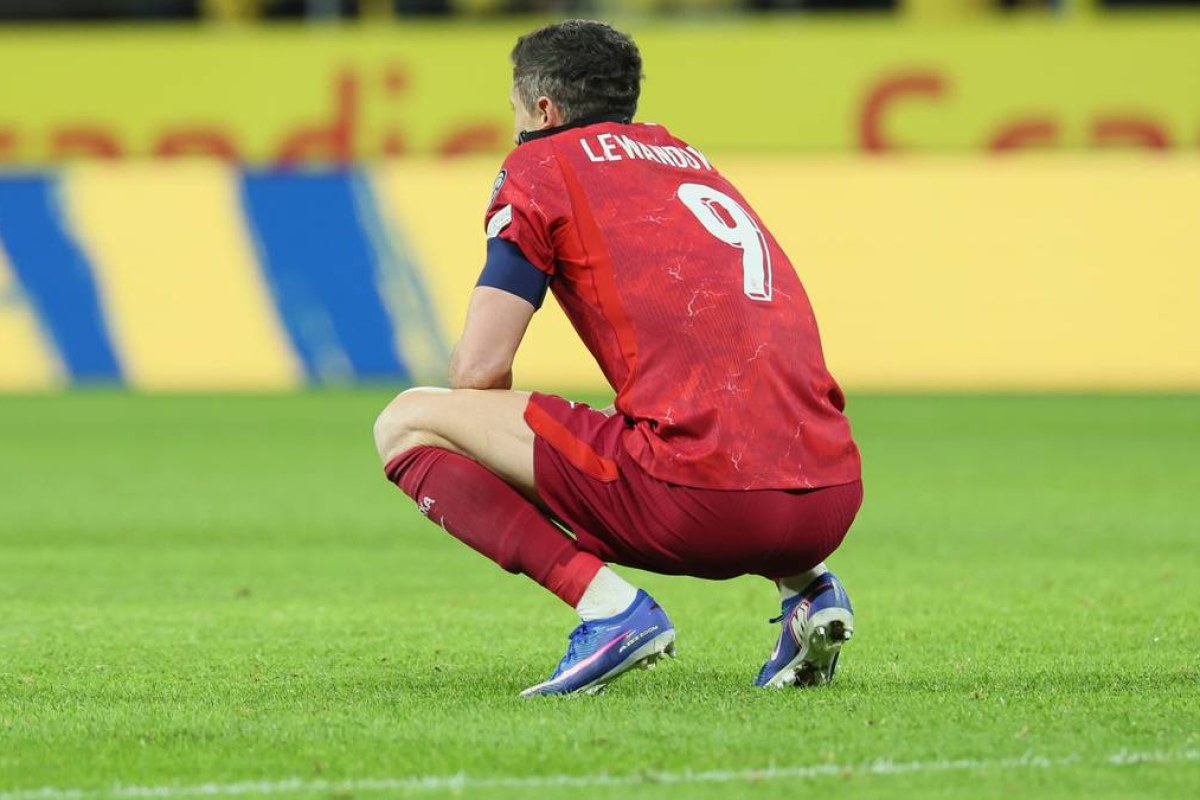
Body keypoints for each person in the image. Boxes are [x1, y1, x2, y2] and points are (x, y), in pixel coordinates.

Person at [373, 19, 863, 696]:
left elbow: (479, 374)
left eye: (515, 109)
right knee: (708, 402)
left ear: (543, 109)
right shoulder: (688, 159)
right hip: (830, 502)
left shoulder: (540, 165)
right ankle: (811, 594)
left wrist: (502, 455)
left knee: (409, 421)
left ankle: (609, 611)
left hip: (705, 506)